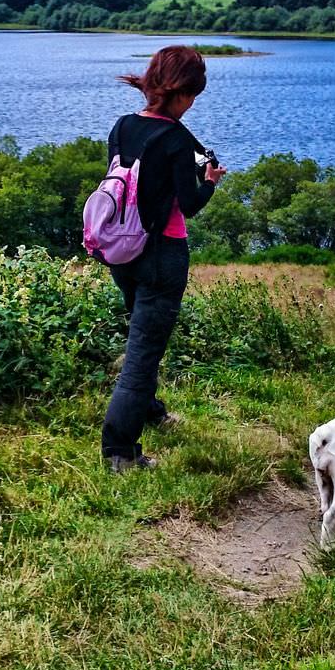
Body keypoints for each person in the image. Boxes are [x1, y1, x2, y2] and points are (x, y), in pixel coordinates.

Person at [101, 45, 226, 472]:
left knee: (142, 333)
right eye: (192, 95)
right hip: (161, 254)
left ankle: (149, 410)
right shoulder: (173, 138)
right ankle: (120, 452)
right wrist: (208, 182)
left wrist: (186, 145)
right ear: (180, 92)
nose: (193, 103)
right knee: (144, 351)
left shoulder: (123, 127)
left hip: (121, 250)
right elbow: (188, 204)